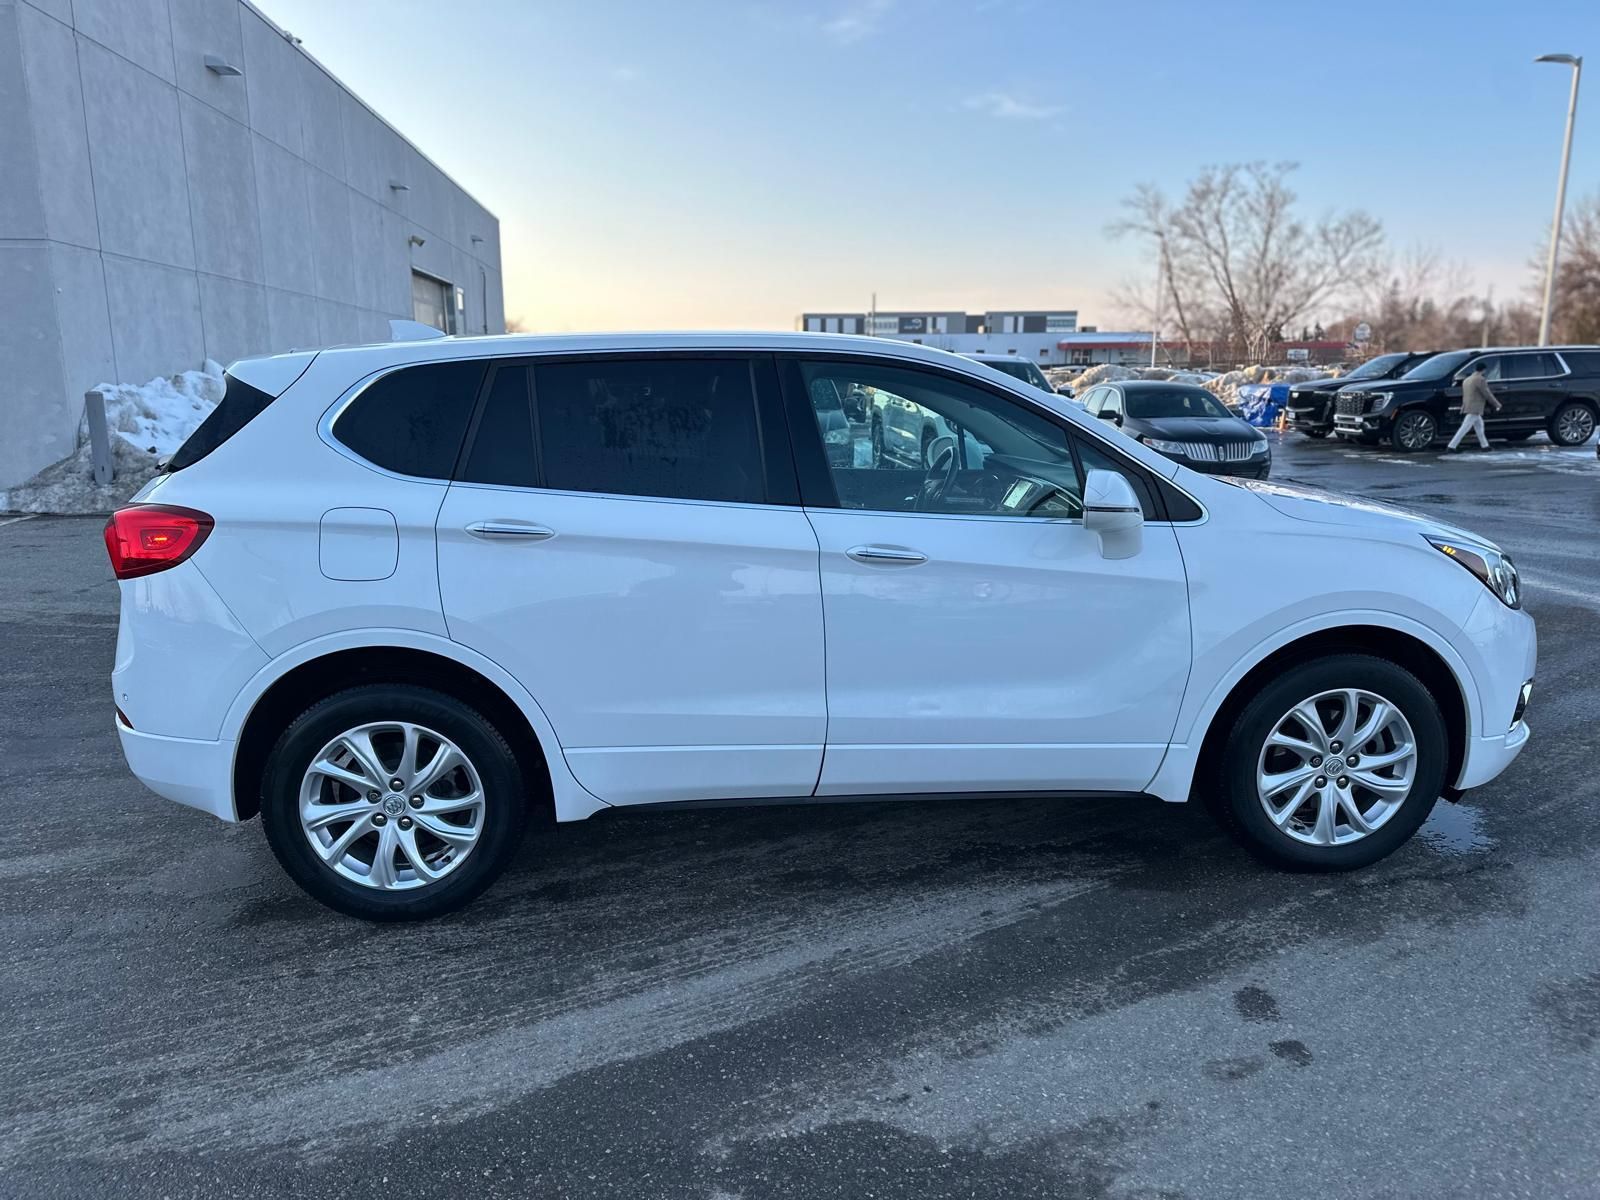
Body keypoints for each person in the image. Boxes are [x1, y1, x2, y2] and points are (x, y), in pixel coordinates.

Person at [1445, 362, 1501, 452]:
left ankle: (1485, 446)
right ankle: (1451, 446)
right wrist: (1496, 404)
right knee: (1464, 428)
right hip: (1475, 407)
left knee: (1479, 426)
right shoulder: (1480, 379)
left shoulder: (1467, 379)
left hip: (1468, 405)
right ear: (1484, 370)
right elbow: (1487, 393)